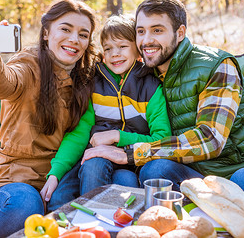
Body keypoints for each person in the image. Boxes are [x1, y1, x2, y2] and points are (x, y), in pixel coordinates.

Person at [84, 0, 244, 206]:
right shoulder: (146, 74)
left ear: (180, 33)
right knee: (154, 171)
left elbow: (210, 140)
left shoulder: (217, 66)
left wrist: (131, 154)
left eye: (157, 30)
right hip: (196, 174)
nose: (146, 40)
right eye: (141, 31)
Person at [0, 0, 98, 238]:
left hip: (65, 176)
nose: (74, 40)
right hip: (18, 177)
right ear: (46, 32)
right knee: (27, 208)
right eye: (65, 29)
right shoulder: (29, 63)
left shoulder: (87, 75)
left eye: (83, 34)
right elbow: (4, 84)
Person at [41, 15, 172, 211]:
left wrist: (117, 136)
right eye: (108, 48)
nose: (114, 54)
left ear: (137, 49)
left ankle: (104, 224)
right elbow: (79, 133)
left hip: (132, 160)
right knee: (59, 196)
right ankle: (80, 227)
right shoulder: (95, 85)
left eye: (122, 46)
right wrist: (55, 173)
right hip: (93, 159)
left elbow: (162, 138)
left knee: (124, 178)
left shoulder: (151, 87)